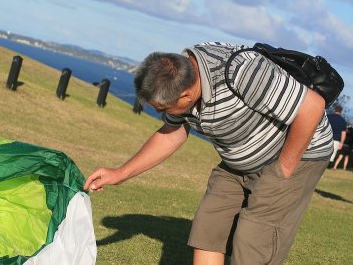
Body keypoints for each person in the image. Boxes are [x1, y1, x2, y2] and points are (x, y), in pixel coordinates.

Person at [84, 42, 333, 265]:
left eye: (162, 107)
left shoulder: (241, 70)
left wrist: (283, 170)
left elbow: (311, 108)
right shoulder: (181, 77)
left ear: (186, 95)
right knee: (208, 226)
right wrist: (121, 173)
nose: (161, 111)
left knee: (253, 241)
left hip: (295, 156)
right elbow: (173, 131)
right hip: (237, 160)